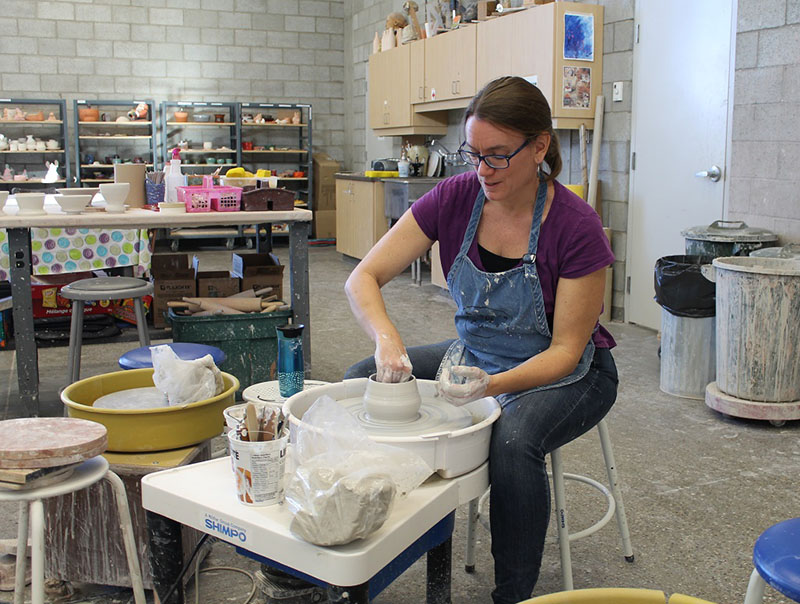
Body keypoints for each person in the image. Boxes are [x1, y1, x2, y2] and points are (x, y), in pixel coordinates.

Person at [344, 75, 618, 603]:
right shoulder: (456, 197)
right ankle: (362, 548)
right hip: (475, 357)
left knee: (513, 443)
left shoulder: (576, 226)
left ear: (539, 146)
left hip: (568, 372)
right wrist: (387, 339)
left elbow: (565, 351)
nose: (483, 170)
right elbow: (363, 277)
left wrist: (493, 386)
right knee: (362, 380)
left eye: (497, 156)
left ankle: (513, 595)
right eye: (474, 154)